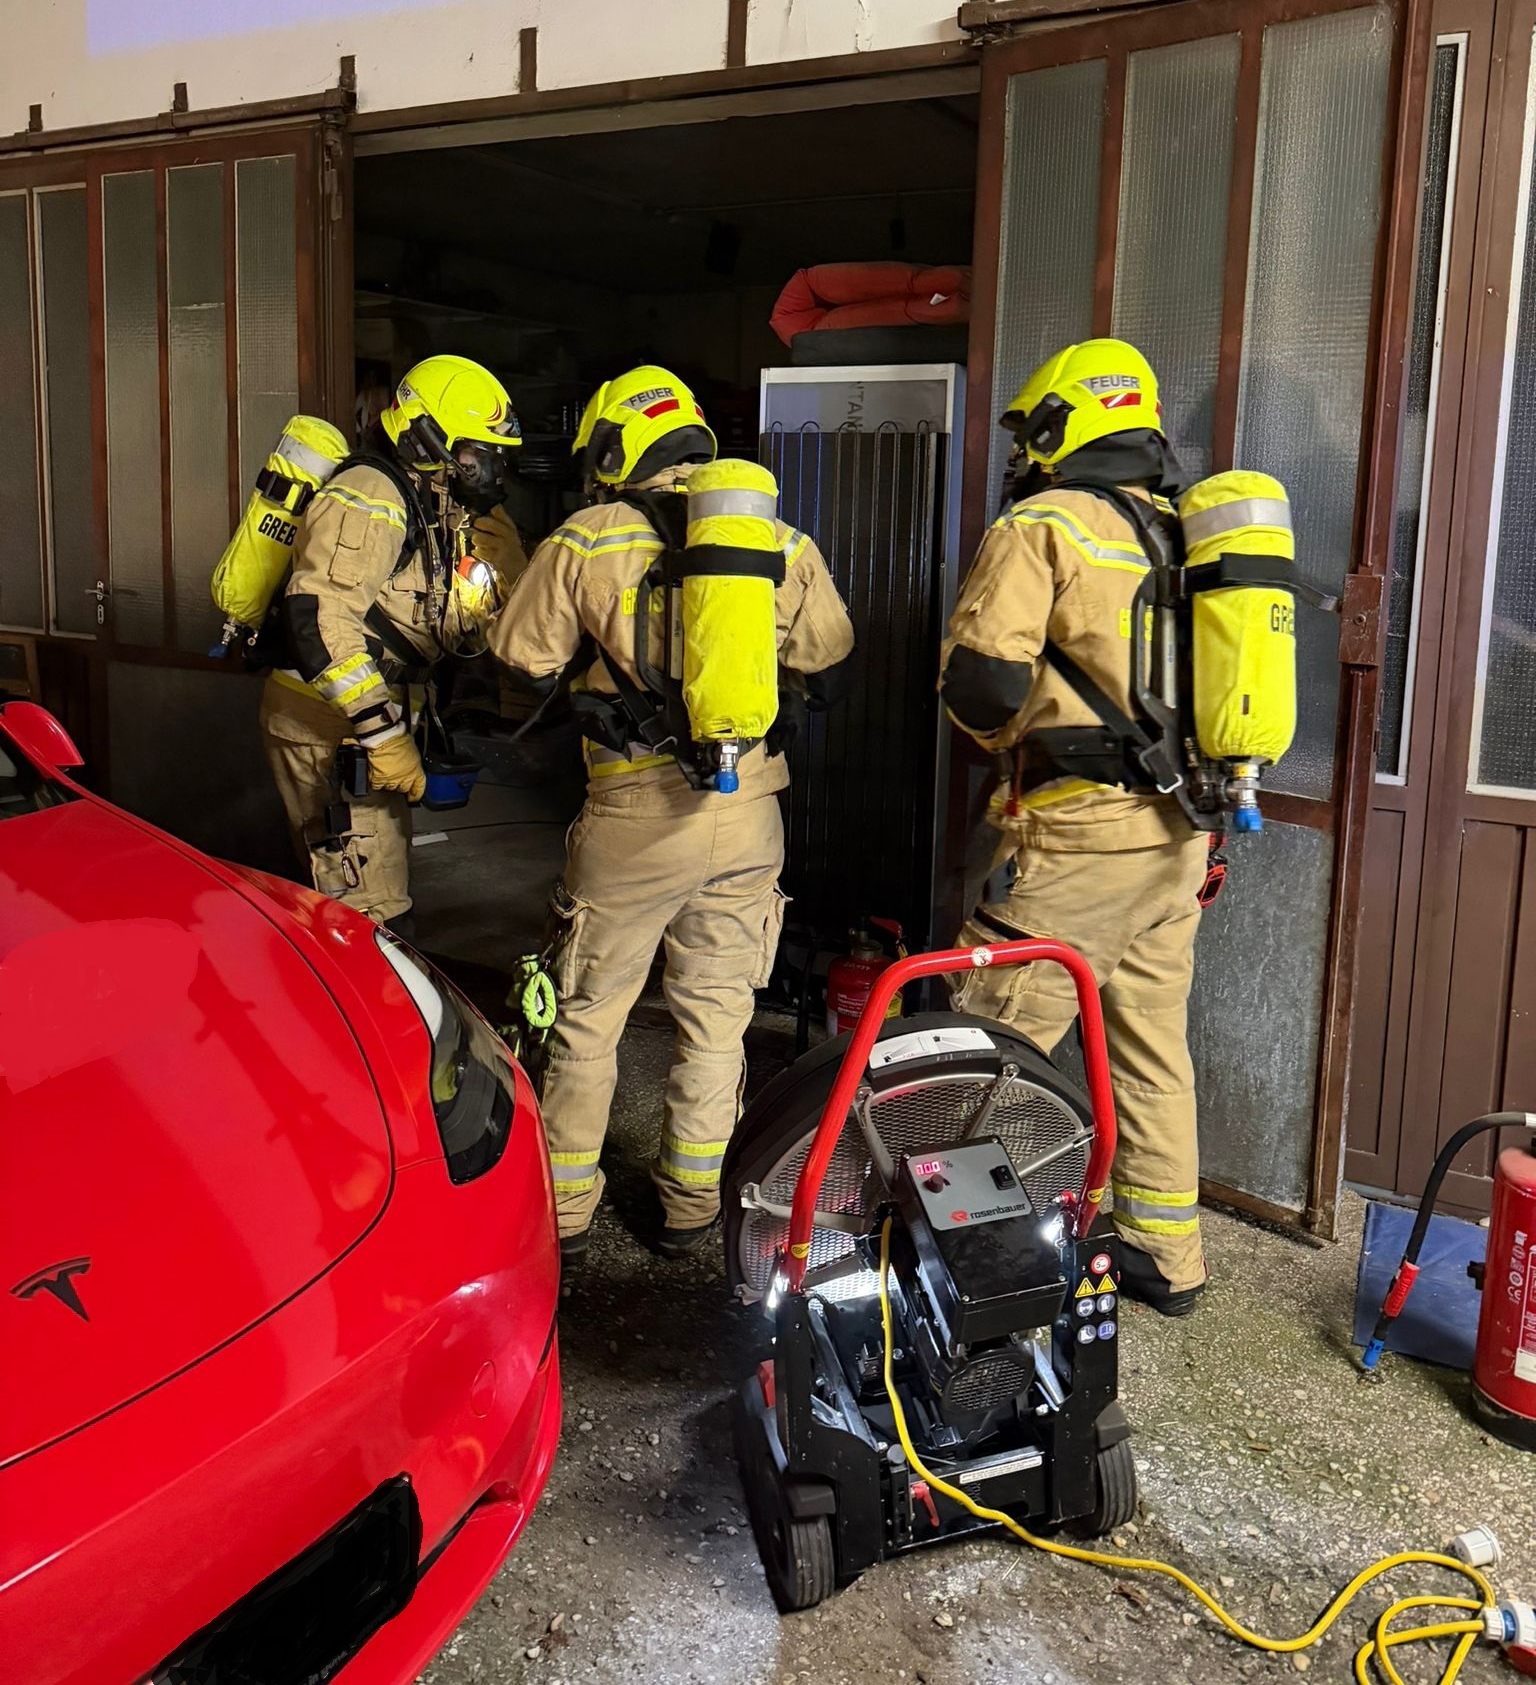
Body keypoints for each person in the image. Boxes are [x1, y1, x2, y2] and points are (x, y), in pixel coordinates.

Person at [490, 365, 854, 1262]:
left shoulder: (587, 536)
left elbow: (520, 656)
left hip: (634, 811)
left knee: (587, 1014)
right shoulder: (774, 536)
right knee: (719, 1016)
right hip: (752, 808)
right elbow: (830, 657)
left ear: (616, 448)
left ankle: (564, 1214)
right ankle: (692, 1205)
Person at [939, 339, 1210, 1316]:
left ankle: (965, 1259)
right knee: (1149, 1046)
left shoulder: (1044, 523)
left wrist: (1011, 741)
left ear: (1062, 426)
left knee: (984, 1045)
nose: (1023, 452)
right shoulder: (1187, 534)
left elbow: (981, 683)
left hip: (1077, 837)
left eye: (1031, 432)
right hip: (1180, 836)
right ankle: (1166, 1255)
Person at [261, 353, 526, 927]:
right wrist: (381, 734)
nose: (484, 470)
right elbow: (318, 617)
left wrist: (508, 569)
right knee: (368, 909)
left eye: (492, 456)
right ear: (424, 436)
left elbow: (455, 626)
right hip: (329, 719)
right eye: (473, 453)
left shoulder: (434, 503)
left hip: (373, 714)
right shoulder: (371, 495)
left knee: (374, 878)